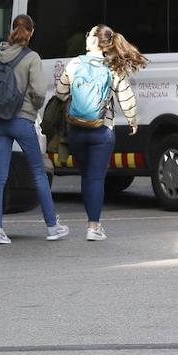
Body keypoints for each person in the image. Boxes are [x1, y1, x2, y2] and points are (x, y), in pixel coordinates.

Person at [55, 24, 145, 242]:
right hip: (102, 130)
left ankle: (92, 221)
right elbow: (125, 97)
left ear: (94, 40)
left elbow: (60, 93)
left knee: (86, 176)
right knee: (96, 178)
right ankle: (93, 226)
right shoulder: (112, 67)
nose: (86, 37)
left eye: (89, 34)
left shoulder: (74, 64)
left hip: (76, 130)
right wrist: (132, 120)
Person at [0, 15, 69, 244]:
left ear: (13, 30)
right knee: (38, 173)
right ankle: (52, 227)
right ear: (31, 32)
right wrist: (33, 106)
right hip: (22, 120)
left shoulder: (0, 54)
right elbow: (39, 91)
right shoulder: (32, 57)